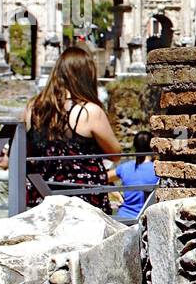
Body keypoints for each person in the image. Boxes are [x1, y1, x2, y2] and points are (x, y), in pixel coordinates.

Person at [24, 46, 122, 212]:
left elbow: (28, 151)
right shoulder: (89, 111)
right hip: (83, 200)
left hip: (42, 198)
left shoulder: (33, 108)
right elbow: (115, 153)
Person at [112, 131, 158, 222]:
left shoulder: (125, 167)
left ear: (135, 147)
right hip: (147, 219)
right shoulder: (158, 169)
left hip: (123, 217)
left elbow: (104, 178)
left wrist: (118, 196)